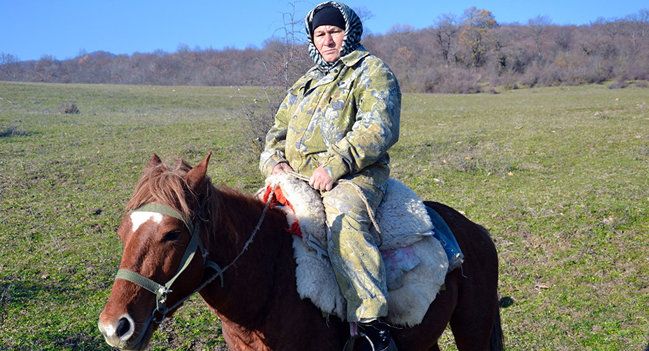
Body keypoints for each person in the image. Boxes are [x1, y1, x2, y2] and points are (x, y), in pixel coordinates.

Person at [259, 2, 400, 350]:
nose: (327, 40)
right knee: (257, 221)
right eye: (320, 34)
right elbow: (277, 131)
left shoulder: (371, 71)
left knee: (343, 217)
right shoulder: (304, 83)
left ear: (348, 32)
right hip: (299, 177)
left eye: (334, 31)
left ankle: (371, 326)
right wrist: (274, 161)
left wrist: (335, 165)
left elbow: (378, 126)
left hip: (356, 176)